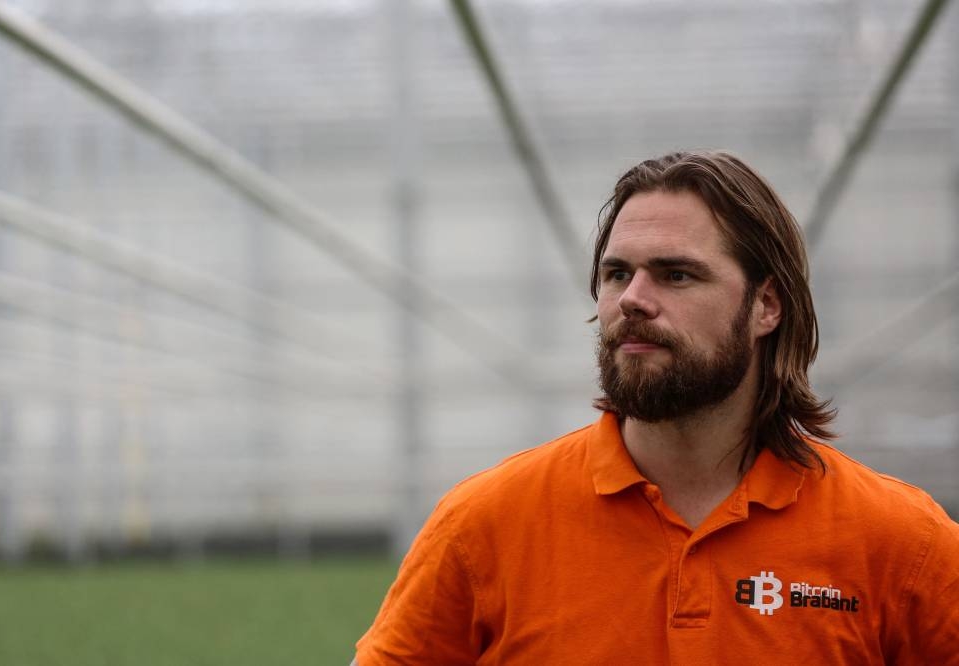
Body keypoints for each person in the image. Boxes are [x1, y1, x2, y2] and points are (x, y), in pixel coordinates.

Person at [351, 151, 959, 665]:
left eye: (675, 275)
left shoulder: (904, 544)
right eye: (617, 274)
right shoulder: (481, 527)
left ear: (766, 305)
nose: (633, 300)